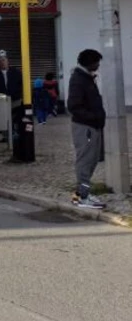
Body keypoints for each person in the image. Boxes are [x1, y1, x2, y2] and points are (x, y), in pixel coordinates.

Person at [67, 49, 107, 209]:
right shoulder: (79, 80)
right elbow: (73, 106)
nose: (98, 65)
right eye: (96, 62)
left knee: (92, 160)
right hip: (86, 128)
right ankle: (82, 197)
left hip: (92, 126)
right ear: (89, 63)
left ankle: (81, 194)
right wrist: (93, 117)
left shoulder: (87, 78)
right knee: (85, 161)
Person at [0, 50, 24, 145]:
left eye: (4, 60)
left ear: (8, 61)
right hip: (2, 99)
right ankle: (7, 136)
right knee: (4, 118)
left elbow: (21, 84)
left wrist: (20, 94)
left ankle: (13, 134)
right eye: (0, 61)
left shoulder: (15, 72)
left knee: (13, 117)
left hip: (15, 99)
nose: (2, 62)